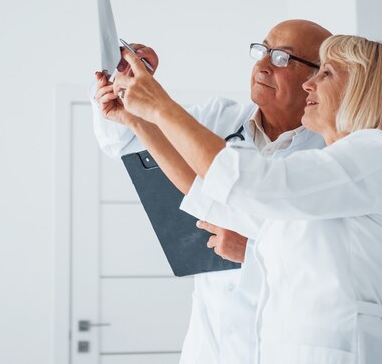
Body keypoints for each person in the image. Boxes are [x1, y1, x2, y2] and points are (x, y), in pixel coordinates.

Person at [113, 34, 382, 364]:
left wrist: (161, 106)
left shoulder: (377, 154)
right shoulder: (335, 170)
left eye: (327, 74)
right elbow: (212, 197)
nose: (310, 84)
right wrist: (136, 121)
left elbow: (246, 182)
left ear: (364, 89)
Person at [91, 20, 331, 364]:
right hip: (210, 341)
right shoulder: (219, 117)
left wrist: (253, 251)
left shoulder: (328, 153)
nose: (262, 64)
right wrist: (124, 89)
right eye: (262, 51)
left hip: (286, 342)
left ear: (317, 80)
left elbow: (327, 263)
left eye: (281, 59)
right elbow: (122, 141)